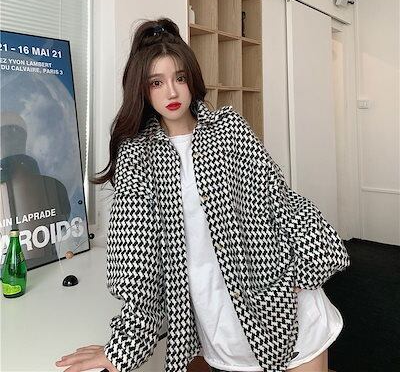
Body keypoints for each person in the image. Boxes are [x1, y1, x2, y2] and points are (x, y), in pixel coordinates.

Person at [55, 18, 350, 372]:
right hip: (220, 321)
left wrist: (306, 267)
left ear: (191, 79)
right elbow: (137, 262)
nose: (172, 92)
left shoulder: (229, 129)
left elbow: (280, 201)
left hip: (284, 300)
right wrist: (123, 347)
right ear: (142, 89)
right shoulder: (137, 155)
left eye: (179, 78)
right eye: (156, 82)